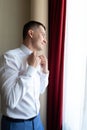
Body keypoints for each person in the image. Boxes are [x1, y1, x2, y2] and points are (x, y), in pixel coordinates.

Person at [0, 21, 49, 130]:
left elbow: (40, 90)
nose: (45, 40)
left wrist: (45, 72)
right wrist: (30, 69)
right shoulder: (9, 58)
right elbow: (10, 100)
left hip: (37, 122)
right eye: (43, 35)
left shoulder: (36, 59)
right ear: (31, 33)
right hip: (16, 125)